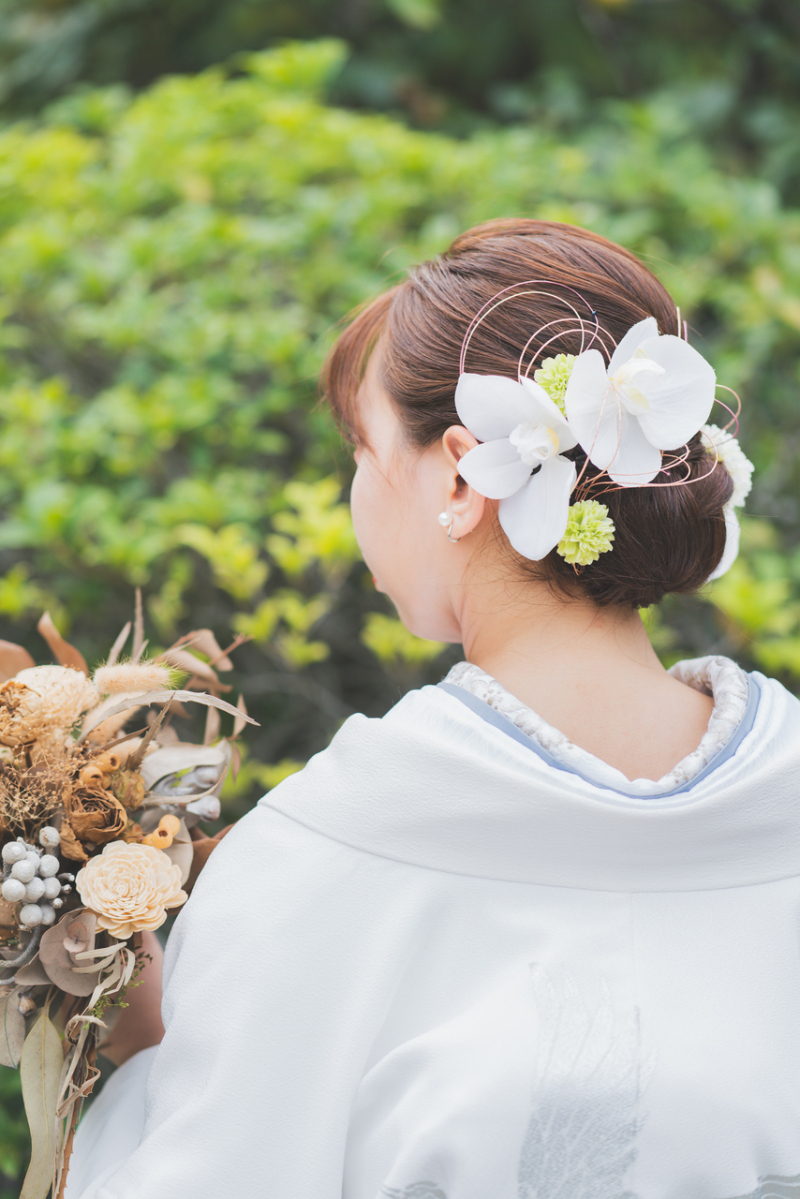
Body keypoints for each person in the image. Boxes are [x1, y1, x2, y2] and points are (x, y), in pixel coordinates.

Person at [66, 219, 800, 1199]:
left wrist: (144, 1042)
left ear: (457, 475)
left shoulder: (327, 849)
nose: (355, 492)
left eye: (363, 451)